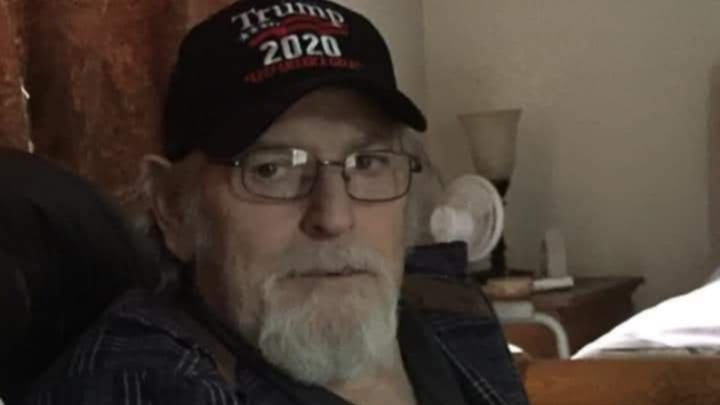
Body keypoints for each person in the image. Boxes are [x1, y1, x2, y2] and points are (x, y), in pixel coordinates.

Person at [24, 0, 528, 404]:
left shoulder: (448, 307)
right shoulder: (141, 380)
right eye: (272, 169)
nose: (334, 216)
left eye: (368, 162)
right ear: (172, 207)